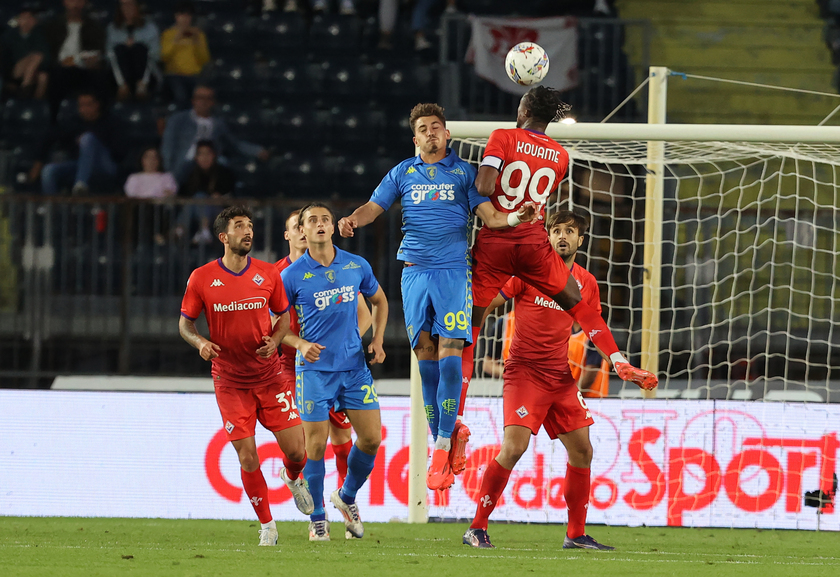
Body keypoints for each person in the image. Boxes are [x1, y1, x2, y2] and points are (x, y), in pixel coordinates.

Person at [338, 103, 538, 492]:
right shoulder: (403, 172)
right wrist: (350, 219)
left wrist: (517, 217)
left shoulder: (465, 173)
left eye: (436, 127)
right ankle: (445, 437)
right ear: (415, 139)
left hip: (452, 272)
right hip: (414, 272)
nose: (431, 133)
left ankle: (442, 444)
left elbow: (491, 217)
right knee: (425, 360)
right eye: (424, 129)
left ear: (448, 134)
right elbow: (373, 208)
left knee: (450, 351)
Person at [461, 85, 658, 406]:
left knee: (470, 325)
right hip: (534, 244)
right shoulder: (561, 156)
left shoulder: (503, 137)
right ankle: (619, 359)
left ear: (523, 112)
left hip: (496, 242)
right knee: (580, 305)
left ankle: (454, 422)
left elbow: (483, 186)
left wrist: (470, 180)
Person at [463, 210, 614, 550]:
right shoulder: (526, 274)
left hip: (560, 376)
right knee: (514, 448)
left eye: (570, 232)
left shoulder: (586, 283)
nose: (562, 236)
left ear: (580, 240)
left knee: (582, 451)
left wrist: (618, 360)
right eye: (556, 230)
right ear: (546, 236)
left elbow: (594, 326)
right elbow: (489, 302)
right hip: (524, 372)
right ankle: (476, 527)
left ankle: (575, 534)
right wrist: (468, 332)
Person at [179, 205, 314, 547]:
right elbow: (185, 324)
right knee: (247, 456)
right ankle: (267, 525)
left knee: (298, 451)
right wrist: (199, 343)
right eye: (240, 226)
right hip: (230, 381)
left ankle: (293, 477)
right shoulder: (201, 277)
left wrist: (276, 339)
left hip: (270, 376)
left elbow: (283, 316)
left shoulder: (269, 274)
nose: (248, 231)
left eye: (250, 225)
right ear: (224, 237)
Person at [280, 202, 389, 542]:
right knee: (316, 446)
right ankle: (317, 518)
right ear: (303, 231)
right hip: (314, 372)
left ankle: (347, 496)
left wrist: (378, 340)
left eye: (326, 219)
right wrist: (298, 343)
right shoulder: (290, 275)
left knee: (371, 438)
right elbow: (273, 326)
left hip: (354, 369)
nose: (321, 224)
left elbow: (380, 302)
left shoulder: (355, 265)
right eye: (313, 220)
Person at [275, 210, 371, 493]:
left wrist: (344, 344)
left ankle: (346, 506)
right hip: (293, 366)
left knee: (343, 438)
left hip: (336, 365)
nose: (306, 232)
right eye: (298, 227)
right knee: (305, 444)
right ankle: (298, 481)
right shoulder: (279, 274)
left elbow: (363, 315)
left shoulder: (338, 269)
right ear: (290, 234)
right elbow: (269, 324)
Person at [161, 85, 268, 184]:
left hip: (212, 162)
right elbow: (168, 145)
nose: (203, 102)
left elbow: (235, 144)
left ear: (213, 102)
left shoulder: (218, 124)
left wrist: (257, 150)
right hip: (185, 161)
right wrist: (168, 167)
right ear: (193, 100)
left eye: (208, 98)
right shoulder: (178, 120)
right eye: (200, 98)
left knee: (226, 168)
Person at [30, 91, 121, 195]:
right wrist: (38, 161)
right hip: (79, 165)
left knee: (87, 138)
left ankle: (81, 185)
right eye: (81, 105)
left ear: (97, 105)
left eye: (88, 105)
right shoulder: (73, 122)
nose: (83, 109)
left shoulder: (111, 122)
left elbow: (119, 152)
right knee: (48, 171)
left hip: (105, 166)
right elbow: (48, 138)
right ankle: (52, 208)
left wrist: (90, 143)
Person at [42, 0, 107, 123]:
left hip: (85, 69)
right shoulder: (52, 26)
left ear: (84, 3)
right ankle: (53, 122)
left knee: (100, 76)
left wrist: (95, 61)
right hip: (61, 68)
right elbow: (46, 54)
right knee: (57, 74)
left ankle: (101, 123)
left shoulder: (94, 27)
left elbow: (99, 52)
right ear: (65, 2)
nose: (75, 5)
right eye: (72, 1)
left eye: (79, 1)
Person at [177, 139, 237, 244]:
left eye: (208, 153)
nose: (204, 157)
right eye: (201, 154)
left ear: (214, 155)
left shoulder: (225, 173)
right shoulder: (190, 174)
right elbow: (183, 196)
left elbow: (231, 197)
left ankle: (182, 229)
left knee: (200, 198)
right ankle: (200, 231)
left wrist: (219, 198)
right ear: (196, 157)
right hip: (193, 212)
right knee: (197, 199)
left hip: (219, 213)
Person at [106, 0, 161, 101]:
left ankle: (142, 85)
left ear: (138, 7)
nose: (127, 8)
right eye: (124, 5)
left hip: (146, 76)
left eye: (131, 4)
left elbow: (156, 55)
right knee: (120, 49)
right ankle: (123, 86)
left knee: (139, 48)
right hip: (121, 76)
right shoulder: (112, 28)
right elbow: (109, 56)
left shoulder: (150, 28)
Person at [160, 1, 210, 107]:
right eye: (182, 14)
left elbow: (204, 59)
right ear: (176, 16)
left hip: (194, 75)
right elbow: (164, 57)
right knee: (181, 97)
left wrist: (197, 42)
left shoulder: (199, 35)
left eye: (188, 15)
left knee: (201, 99)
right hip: (174, 75)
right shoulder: (168, 34)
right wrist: (176, 39)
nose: (185, 18)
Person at [1, 4, 50, 99]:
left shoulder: (40, 36)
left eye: (30, 18)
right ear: (18, 20)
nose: (27, 21)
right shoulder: (8, 36)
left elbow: (47, 58)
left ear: (35, 21)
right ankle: (25, 86)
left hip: (34, 71)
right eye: (24, 18)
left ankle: (35, 103)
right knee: (36, 56)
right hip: (15, 70)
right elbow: (4, 58)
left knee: (43, 77)